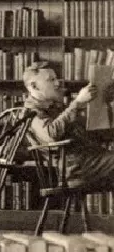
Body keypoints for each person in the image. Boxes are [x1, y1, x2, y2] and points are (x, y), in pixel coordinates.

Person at [21, 62, 114, 191]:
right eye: (51, 80)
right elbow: (51, 134)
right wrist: (77, 103)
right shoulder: (31, 111)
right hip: (76, 168)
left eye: (56, 78)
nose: (57, 83)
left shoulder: (53, 106)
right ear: (34, 86)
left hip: (89, 160)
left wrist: (103, 101)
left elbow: (84, 128)